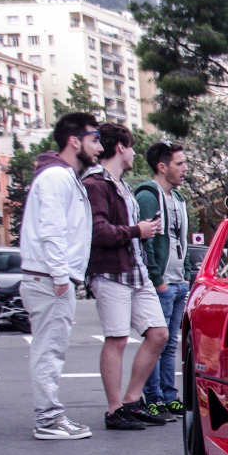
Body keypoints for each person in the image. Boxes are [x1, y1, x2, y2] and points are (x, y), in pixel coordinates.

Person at [18, 112, 102, 440]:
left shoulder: (64, 176)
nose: (99, 146)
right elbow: (53, 231)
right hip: (48, 278)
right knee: (49, 348)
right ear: (74, 140)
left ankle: (49, 416)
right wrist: (60, 277)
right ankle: (48, 420)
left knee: (51, 347)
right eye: (94, 139)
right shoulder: (56, 178)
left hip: (49, 276)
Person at [82, 123, 169, 431]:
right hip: (110, 272)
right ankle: (114, 409)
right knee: (117, 339)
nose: (134, 153)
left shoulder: (121, 185)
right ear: (120, 147)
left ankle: (133, 400)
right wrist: (137, 230)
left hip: (136, 271)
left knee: (158, 334)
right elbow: (98, 231)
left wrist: (141, 229)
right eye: (131, 147)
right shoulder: (95, 183)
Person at [137, 140, 190, 421]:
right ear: (162, 166)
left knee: (170, 344)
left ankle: (170, 397)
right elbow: (145, 244)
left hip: (178, 281)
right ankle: (153, 397)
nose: (185, 169)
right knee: (155, 341)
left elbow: (180, 241)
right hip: (161, 283)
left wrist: (187, 276)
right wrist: (158, 280)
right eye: (179, 164)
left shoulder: (179, 200)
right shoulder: (148, 196)